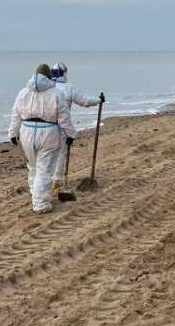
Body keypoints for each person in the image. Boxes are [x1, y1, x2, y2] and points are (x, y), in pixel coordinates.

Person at [8, 64, 76, 214]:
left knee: (33, 167)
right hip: (48, 132)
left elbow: (16, 114)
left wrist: (13, 133)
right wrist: (71, 134)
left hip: (26, 131)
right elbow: (64, 118)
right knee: (44, 170)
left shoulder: (23, 92)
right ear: (49, 77)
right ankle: (40, 203)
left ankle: (36, 194)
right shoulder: (56, 93)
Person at [50, 62, 104, 178]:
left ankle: (43, 182)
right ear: (64, 73)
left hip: (44, 127)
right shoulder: (68, 88)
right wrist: (98, 100)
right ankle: (56, 181)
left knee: (45, 155)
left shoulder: (45, 88)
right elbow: (85, 101)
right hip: (62, 127)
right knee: (60, 154)